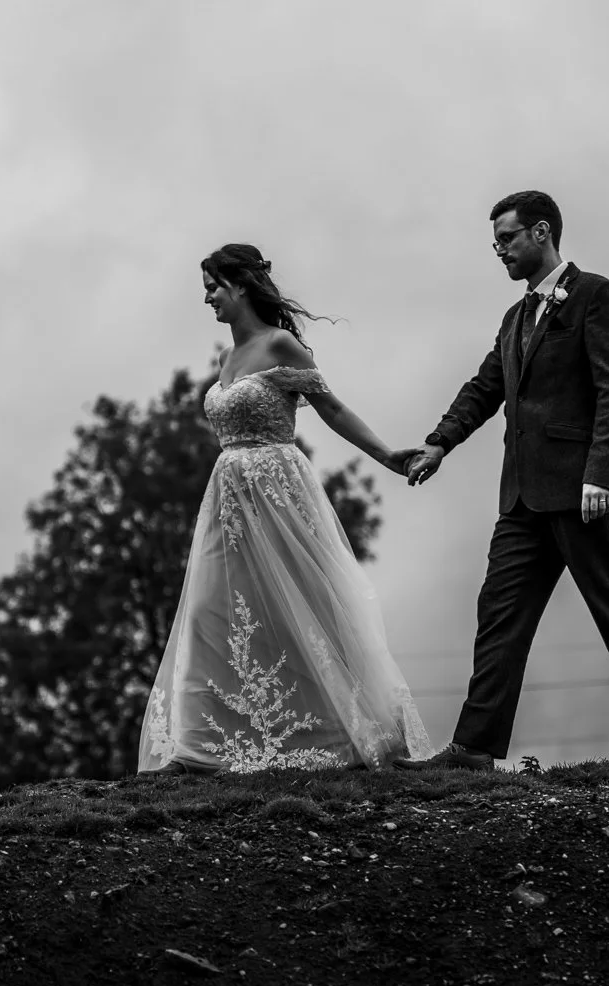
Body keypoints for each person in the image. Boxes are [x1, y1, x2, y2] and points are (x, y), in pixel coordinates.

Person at [393, 191, 609, 771]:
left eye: (506, 239)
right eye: (495, 242)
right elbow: (484, 387)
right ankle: (474, 750)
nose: (498, 251)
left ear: (541, 232)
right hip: (521, 499)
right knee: (499, 617)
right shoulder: (515, 317)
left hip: (583, 494)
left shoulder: (596, 295)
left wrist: (601, 474)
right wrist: (439, 442)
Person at [137, 243, 433, 776]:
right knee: (211, 608)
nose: (207, 298)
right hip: (227, 494)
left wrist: (388, 455)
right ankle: (200, 743)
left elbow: (332, 408)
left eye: (213, 287)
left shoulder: (281, 345)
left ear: (241, 286)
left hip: (277, 490)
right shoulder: (226, 358)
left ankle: (342, 734)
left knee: (300, 606)